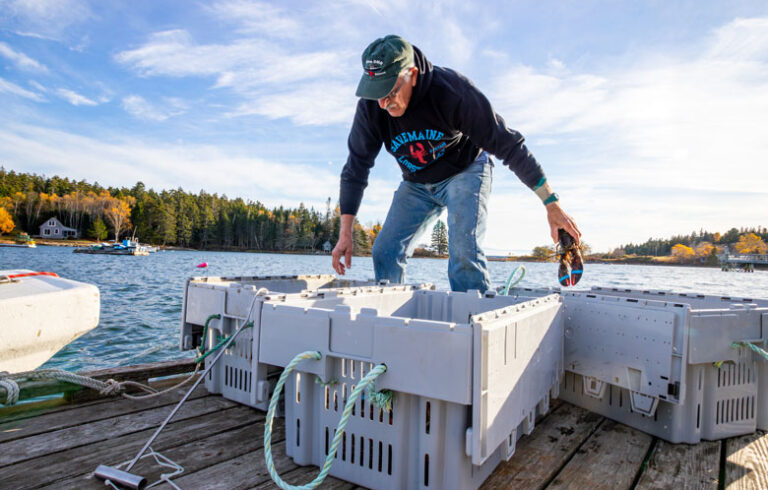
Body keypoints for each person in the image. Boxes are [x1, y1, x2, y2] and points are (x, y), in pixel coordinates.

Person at [332, 35, 580, 292]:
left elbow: (508, 144)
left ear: (412, 75)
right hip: (416, 183)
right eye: (376, 94)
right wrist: (345, 232)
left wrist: (551, 203)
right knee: (384, 250)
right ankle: (386, 319)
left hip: (466, 170)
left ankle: (473, 322)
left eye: (390, 91)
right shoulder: (372, 108)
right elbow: (356, 168)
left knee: (464, 252)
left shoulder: (451, 91)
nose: (384, 103)